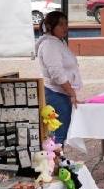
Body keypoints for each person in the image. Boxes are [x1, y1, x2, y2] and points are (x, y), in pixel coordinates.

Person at [34, 11, 83, 144]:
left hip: (61, 93)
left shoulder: (58, 42)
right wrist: (71, 93)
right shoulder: (50, 45)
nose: (65, 28)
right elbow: (57, 73)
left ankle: (58, 161)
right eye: (60, 24)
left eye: (66, 24)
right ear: (50, 27)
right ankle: (55, 163)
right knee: (58, 135)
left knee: (61, 132)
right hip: (56, 94)